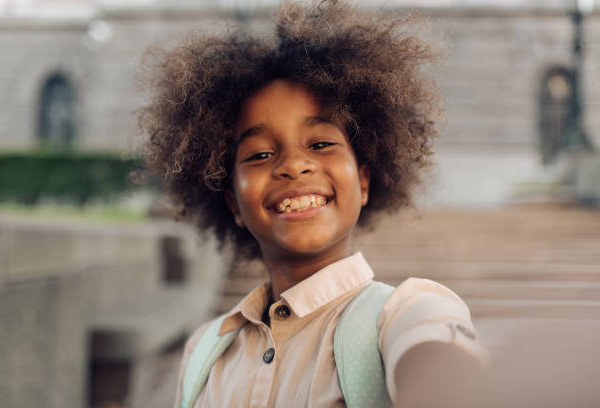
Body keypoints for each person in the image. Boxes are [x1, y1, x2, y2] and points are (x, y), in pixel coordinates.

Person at [139, 1, 487, 406]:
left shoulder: (407, 313)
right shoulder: (203, 350)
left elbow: (441, 366)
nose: (294, 165)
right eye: (259, 154)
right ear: (233, 202)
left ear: (363, 180)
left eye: (321, 144)